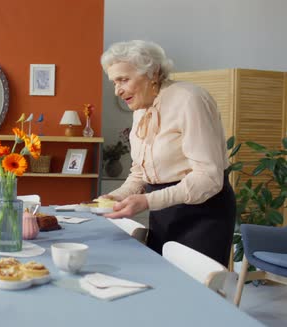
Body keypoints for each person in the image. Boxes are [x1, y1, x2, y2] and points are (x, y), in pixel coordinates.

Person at [100, 40, 235, 265]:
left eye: (124, 79)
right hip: (163, 212)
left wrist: (147, 201)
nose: (117, 90)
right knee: (167, 288)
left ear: (153, 73)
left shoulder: (189, 99)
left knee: (195, 294)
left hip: (202, 212)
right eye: (115, 82)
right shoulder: (141, 110)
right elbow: (140, 172)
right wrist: (118, 196)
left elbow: (209, 178)